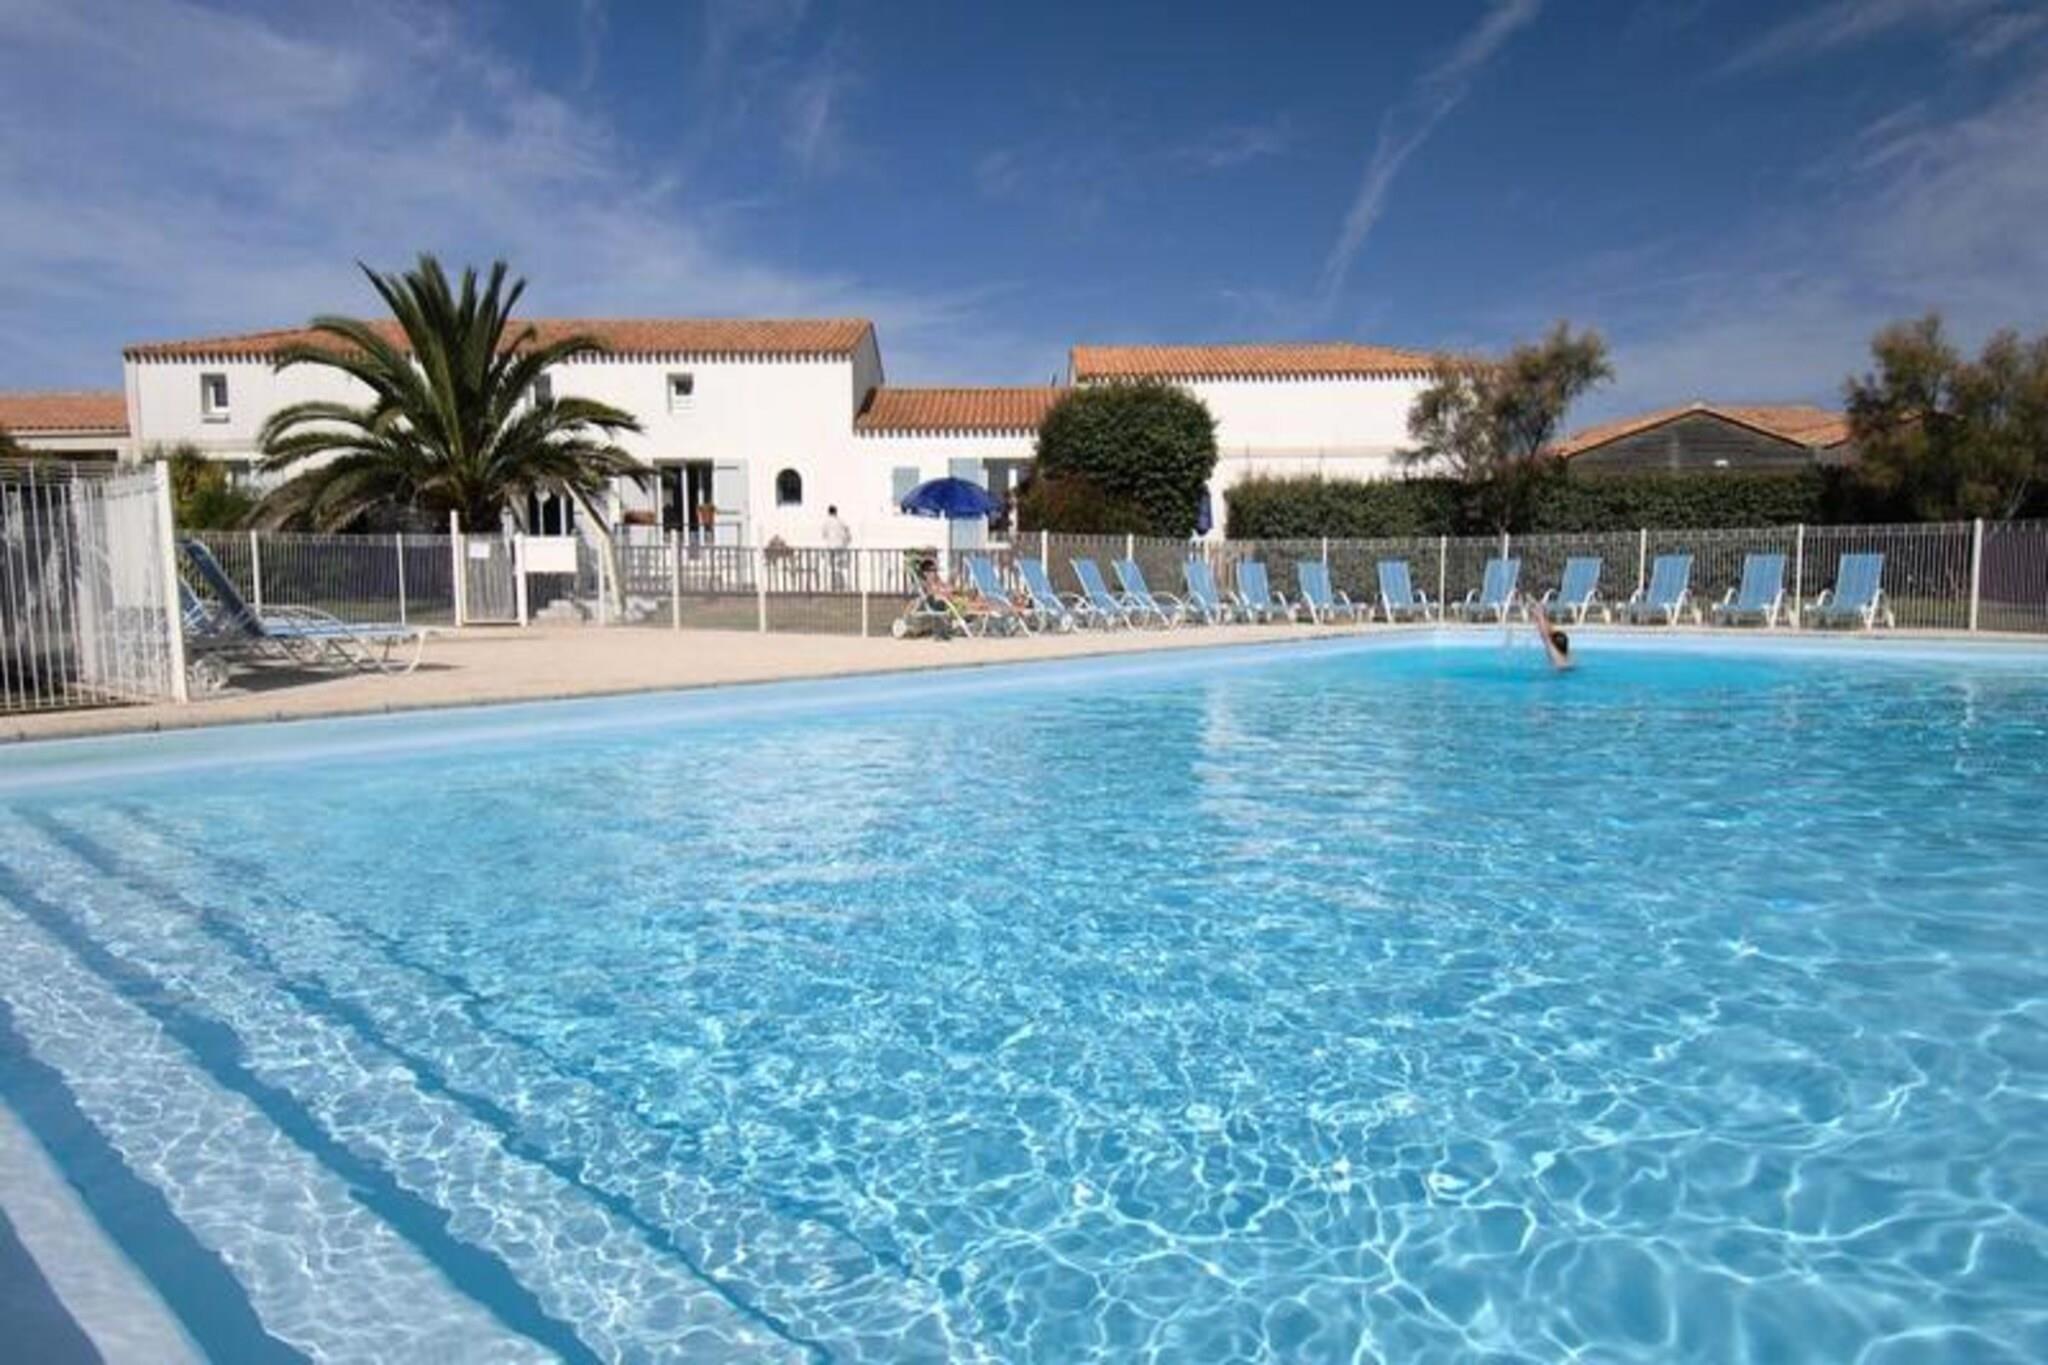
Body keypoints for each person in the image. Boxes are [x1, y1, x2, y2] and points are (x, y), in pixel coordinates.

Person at [1529, 601, 1574, 671]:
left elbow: (1545, 636)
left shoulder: (1556, 657)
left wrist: (1540, 615)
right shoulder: (1568, 658)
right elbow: (1549, 633)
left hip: (1559, 672)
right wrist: (1543, 616)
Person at [822, 505, 851, 589]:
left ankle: (833, 584)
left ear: (828, 512)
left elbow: (824, 535)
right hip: (840, 546)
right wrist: (846, 542)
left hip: (831, 547)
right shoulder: (841, 521)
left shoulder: (826, 522)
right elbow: (847, 531)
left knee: (832, 566)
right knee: (839, 566)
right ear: (836, 512)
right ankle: (840, 584)